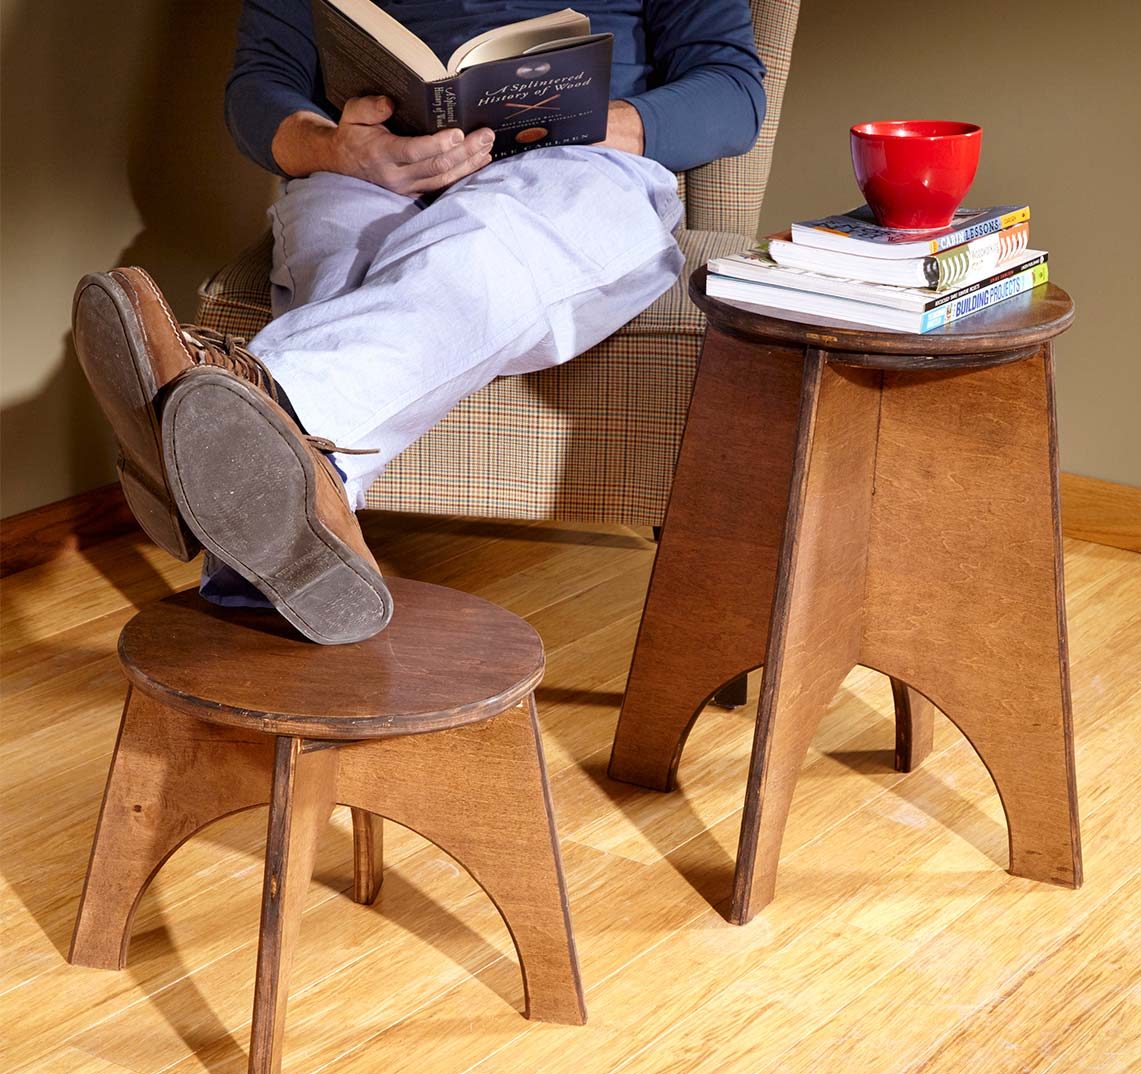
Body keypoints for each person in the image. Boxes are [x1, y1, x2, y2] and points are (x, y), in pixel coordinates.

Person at [72, 0, 765, 644]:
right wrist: (336, 149)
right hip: (369, 168)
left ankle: (235, 415)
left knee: (486, 240)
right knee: (339, 245)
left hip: (576, 166)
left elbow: (733, 88)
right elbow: (259, 84)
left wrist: (583, 121)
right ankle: (294, 522)